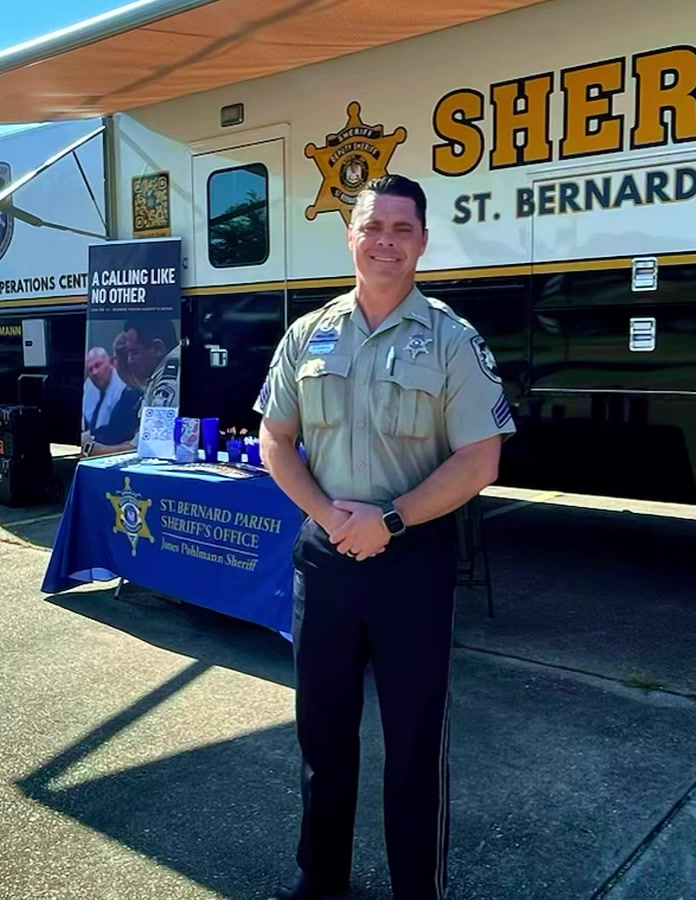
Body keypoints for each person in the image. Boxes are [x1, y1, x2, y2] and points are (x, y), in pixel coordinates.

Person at [254, 175, 516, 900]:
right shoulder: (307, 333)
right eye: (372, 227)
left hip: (412, 564)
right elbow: (275, 439)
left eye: (403, 229)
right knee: (322, 737)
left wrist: (390, 518)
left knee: (413, 746)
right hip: (327, 562)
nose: (386, 242)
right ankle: (321, 883)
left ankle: (415, 891)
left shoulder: (452, 340)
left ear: (423, 242)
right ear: (350, 236)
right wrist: (330, 516)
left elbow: (480, 459)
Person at [82, 316, 181, 457]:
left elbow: (148, 449)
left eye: (134, 353)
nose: (129, 361)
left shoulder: (169, 382)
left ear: (157, 348)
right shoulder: (162, 372)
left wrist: (88, 449)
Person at [81, 346, 126, 433]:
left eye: (98, 365)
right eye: (90, 369)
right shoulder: (89, 385)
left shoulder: (122, 384)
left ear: (110, 363)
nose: (95, 372)